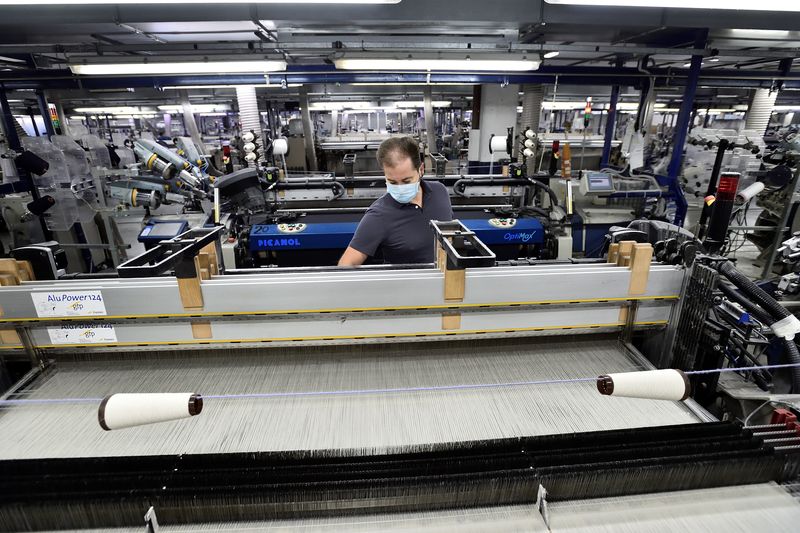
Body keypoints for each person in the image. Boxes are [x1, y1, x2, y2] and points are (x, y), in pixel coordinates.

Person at [338, 136, 453, 266]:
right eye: (392, 182)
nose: (400, 188)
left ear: (421, 170)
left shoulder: (440, 192)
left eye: (406, 181)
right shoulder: (379, 215)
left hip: (448, 280)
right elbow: (345, 265)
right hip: (408, 285)